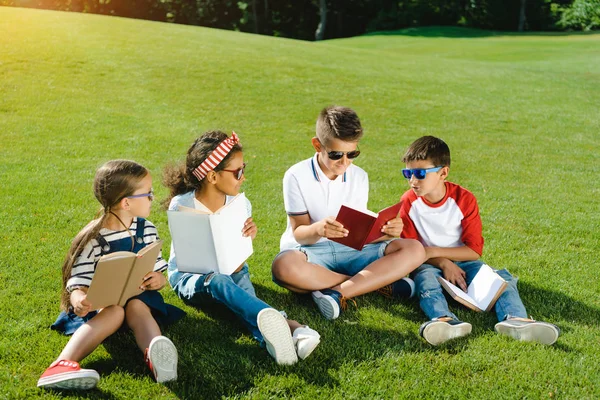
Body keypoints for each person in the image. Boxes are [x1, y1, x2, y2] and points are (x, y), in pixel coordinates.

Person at [163, 130, 320, 366]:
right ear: (213, 177)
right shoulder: (182, 205)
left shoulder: (241, 204)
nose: (243, 177)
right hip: (190, 279)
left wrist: (244, 239)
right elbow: (190, 261)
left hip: (234, 271)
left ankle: (273, 344)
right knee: (219, 282)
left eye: (243, 168)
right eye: (238, 172)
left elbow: (236, 263)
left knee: (245, 299)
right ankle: (295, 327)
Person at [397, 135, 560, 345]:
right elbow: (411, 251)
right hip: (427, 263)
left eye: (420, 173)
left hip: (463, 261)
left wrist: (434, 252)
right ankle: (444, 320)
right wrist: (442, 262)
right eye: (408, 173)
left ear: (443, 172)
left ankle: (516, 320)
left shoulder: (464, 199)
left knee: (500, 281)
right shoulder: (408, 201)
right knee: (425, 280)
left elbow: (473, 251)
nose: (412, 181)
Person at [38, 160, 184, 390]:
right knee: (115, 311)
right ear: (127, 203)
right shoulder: (95, 238)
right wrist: (78, 299)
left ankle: (156, 356)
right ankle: (61, 364)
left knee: (137, 308)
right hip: (105, 309)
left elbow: (156, 267)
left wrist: (158, 280)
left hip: (139, 299)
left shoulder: (147, 229)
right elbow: (78, 280)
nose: (152, 198)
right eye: (148, 194)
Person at [271, 106, 426, 320]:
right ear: (317, 145)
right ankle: (372, 283)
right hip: (311, 252)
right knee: (283, 268)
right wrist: (319, 229)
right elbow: (298, 232)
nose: (345, 162)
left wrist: (388, 232)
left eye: (352, 154)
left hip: (350, 250)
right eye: (336, 154)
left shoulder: (359, 176)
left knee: (415, 249)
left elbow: (358, 234)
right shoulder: (296, 176)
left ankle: (337, 292)